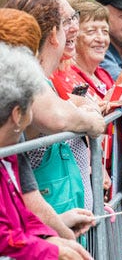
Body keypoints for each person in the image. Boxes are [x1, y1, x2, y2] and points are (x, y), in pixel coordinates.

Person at [0, 42, 92, 259]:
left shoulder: (9, 155)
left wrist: (51, 233)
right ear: (17, 114)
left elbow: (21, 216)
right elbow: (4, 237)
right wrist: (52, 248)